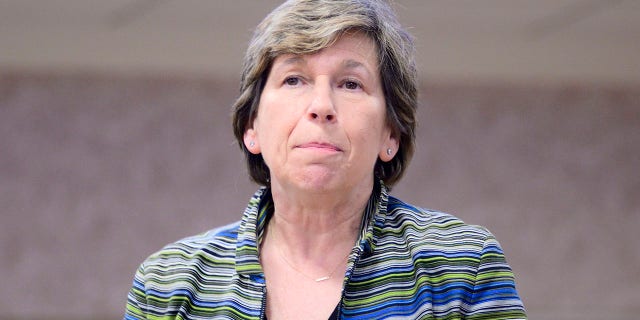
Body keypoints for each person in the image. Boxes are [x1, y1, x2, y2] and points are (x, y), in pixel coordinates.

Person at [124, 0, 527, 319]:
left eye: (350, 83)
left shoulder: (461, 266)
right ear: (252, 127)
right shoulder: (169, 283)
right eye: (294, 79)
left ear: (391, 134)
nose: (321, 106)